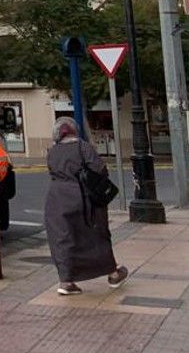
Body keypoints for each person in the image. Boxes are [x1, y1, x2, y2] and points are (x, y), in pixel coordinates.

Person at [44, 117, 128, 295]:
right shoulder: (83, 147)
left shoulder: (52, 151)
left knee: (63, 239)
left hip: (57, 200)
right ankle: (113, 273)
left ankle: (66, 282)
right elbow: (99, 170)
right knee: (96, 235)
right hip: (84, 199)